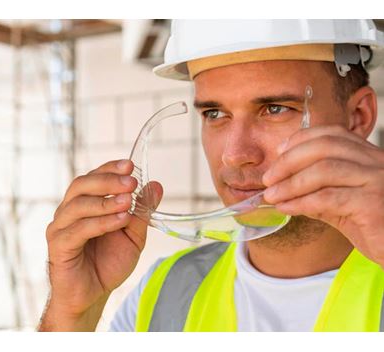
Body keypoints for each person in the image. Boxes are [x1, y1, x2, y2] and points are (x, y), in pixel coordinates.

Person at [38, 19, 384, 332]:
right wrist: (72, 316)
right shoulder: (165, 292)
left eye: (275, 109)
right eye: (215, 113)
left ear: (358, 116)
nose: (235, 155)